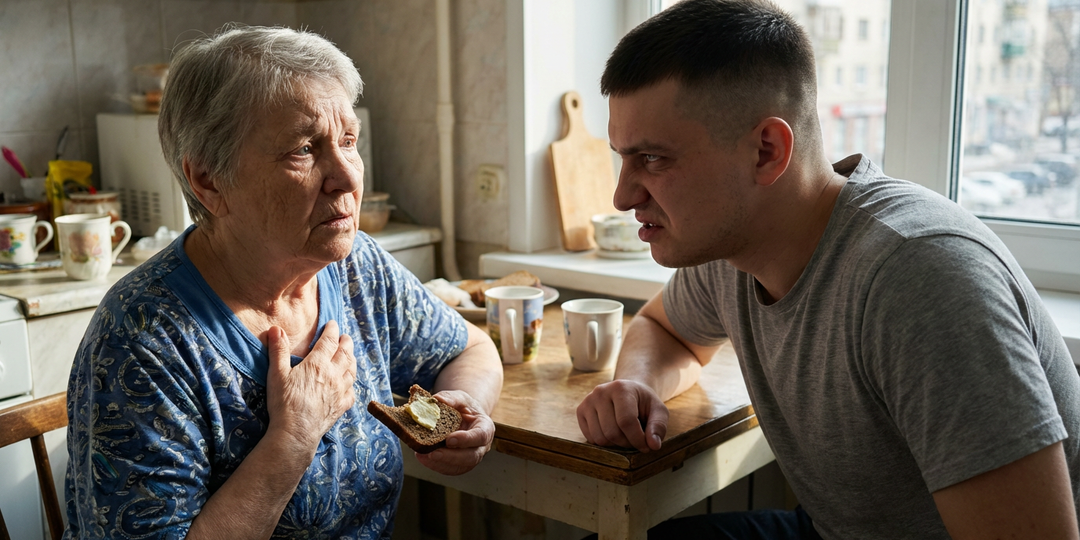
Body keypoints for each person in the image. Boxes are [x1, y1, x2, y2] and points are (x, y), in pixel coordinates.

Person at [576, 1, 1080, 538]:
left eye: (652, 159)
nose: (623, 195)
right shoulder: (734, 246)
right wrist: (634, 386)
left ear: (767, 151)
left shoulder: (919, 281)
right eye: (622, 157)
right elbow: (664, 328)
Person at [64, 25, 503, 539]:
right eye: (304, 149)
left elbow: (469, 347)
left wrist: (463, 407)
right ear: (209, 180)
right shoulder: (141, 340)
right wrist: (294, 436)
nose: (348, 176)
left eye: (347, 141)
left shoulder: (355, 265)